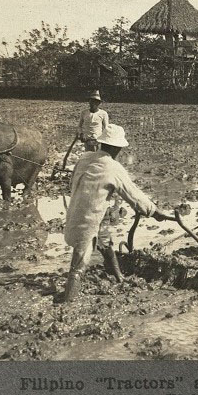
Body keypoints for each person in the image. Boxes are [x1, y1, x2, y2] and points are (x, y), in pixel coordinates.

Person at [61, 123, 173, 304]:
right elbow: (134, 195)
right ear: (115, 147)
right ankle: (67, 304)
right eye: (119, 148)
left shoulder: (84, 158)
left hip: (77, 212)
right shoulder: (113, 167)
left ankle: (119, 277)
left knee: (105, 243)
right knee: (78, 265)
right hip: (88, 221)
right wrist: (154, 212)